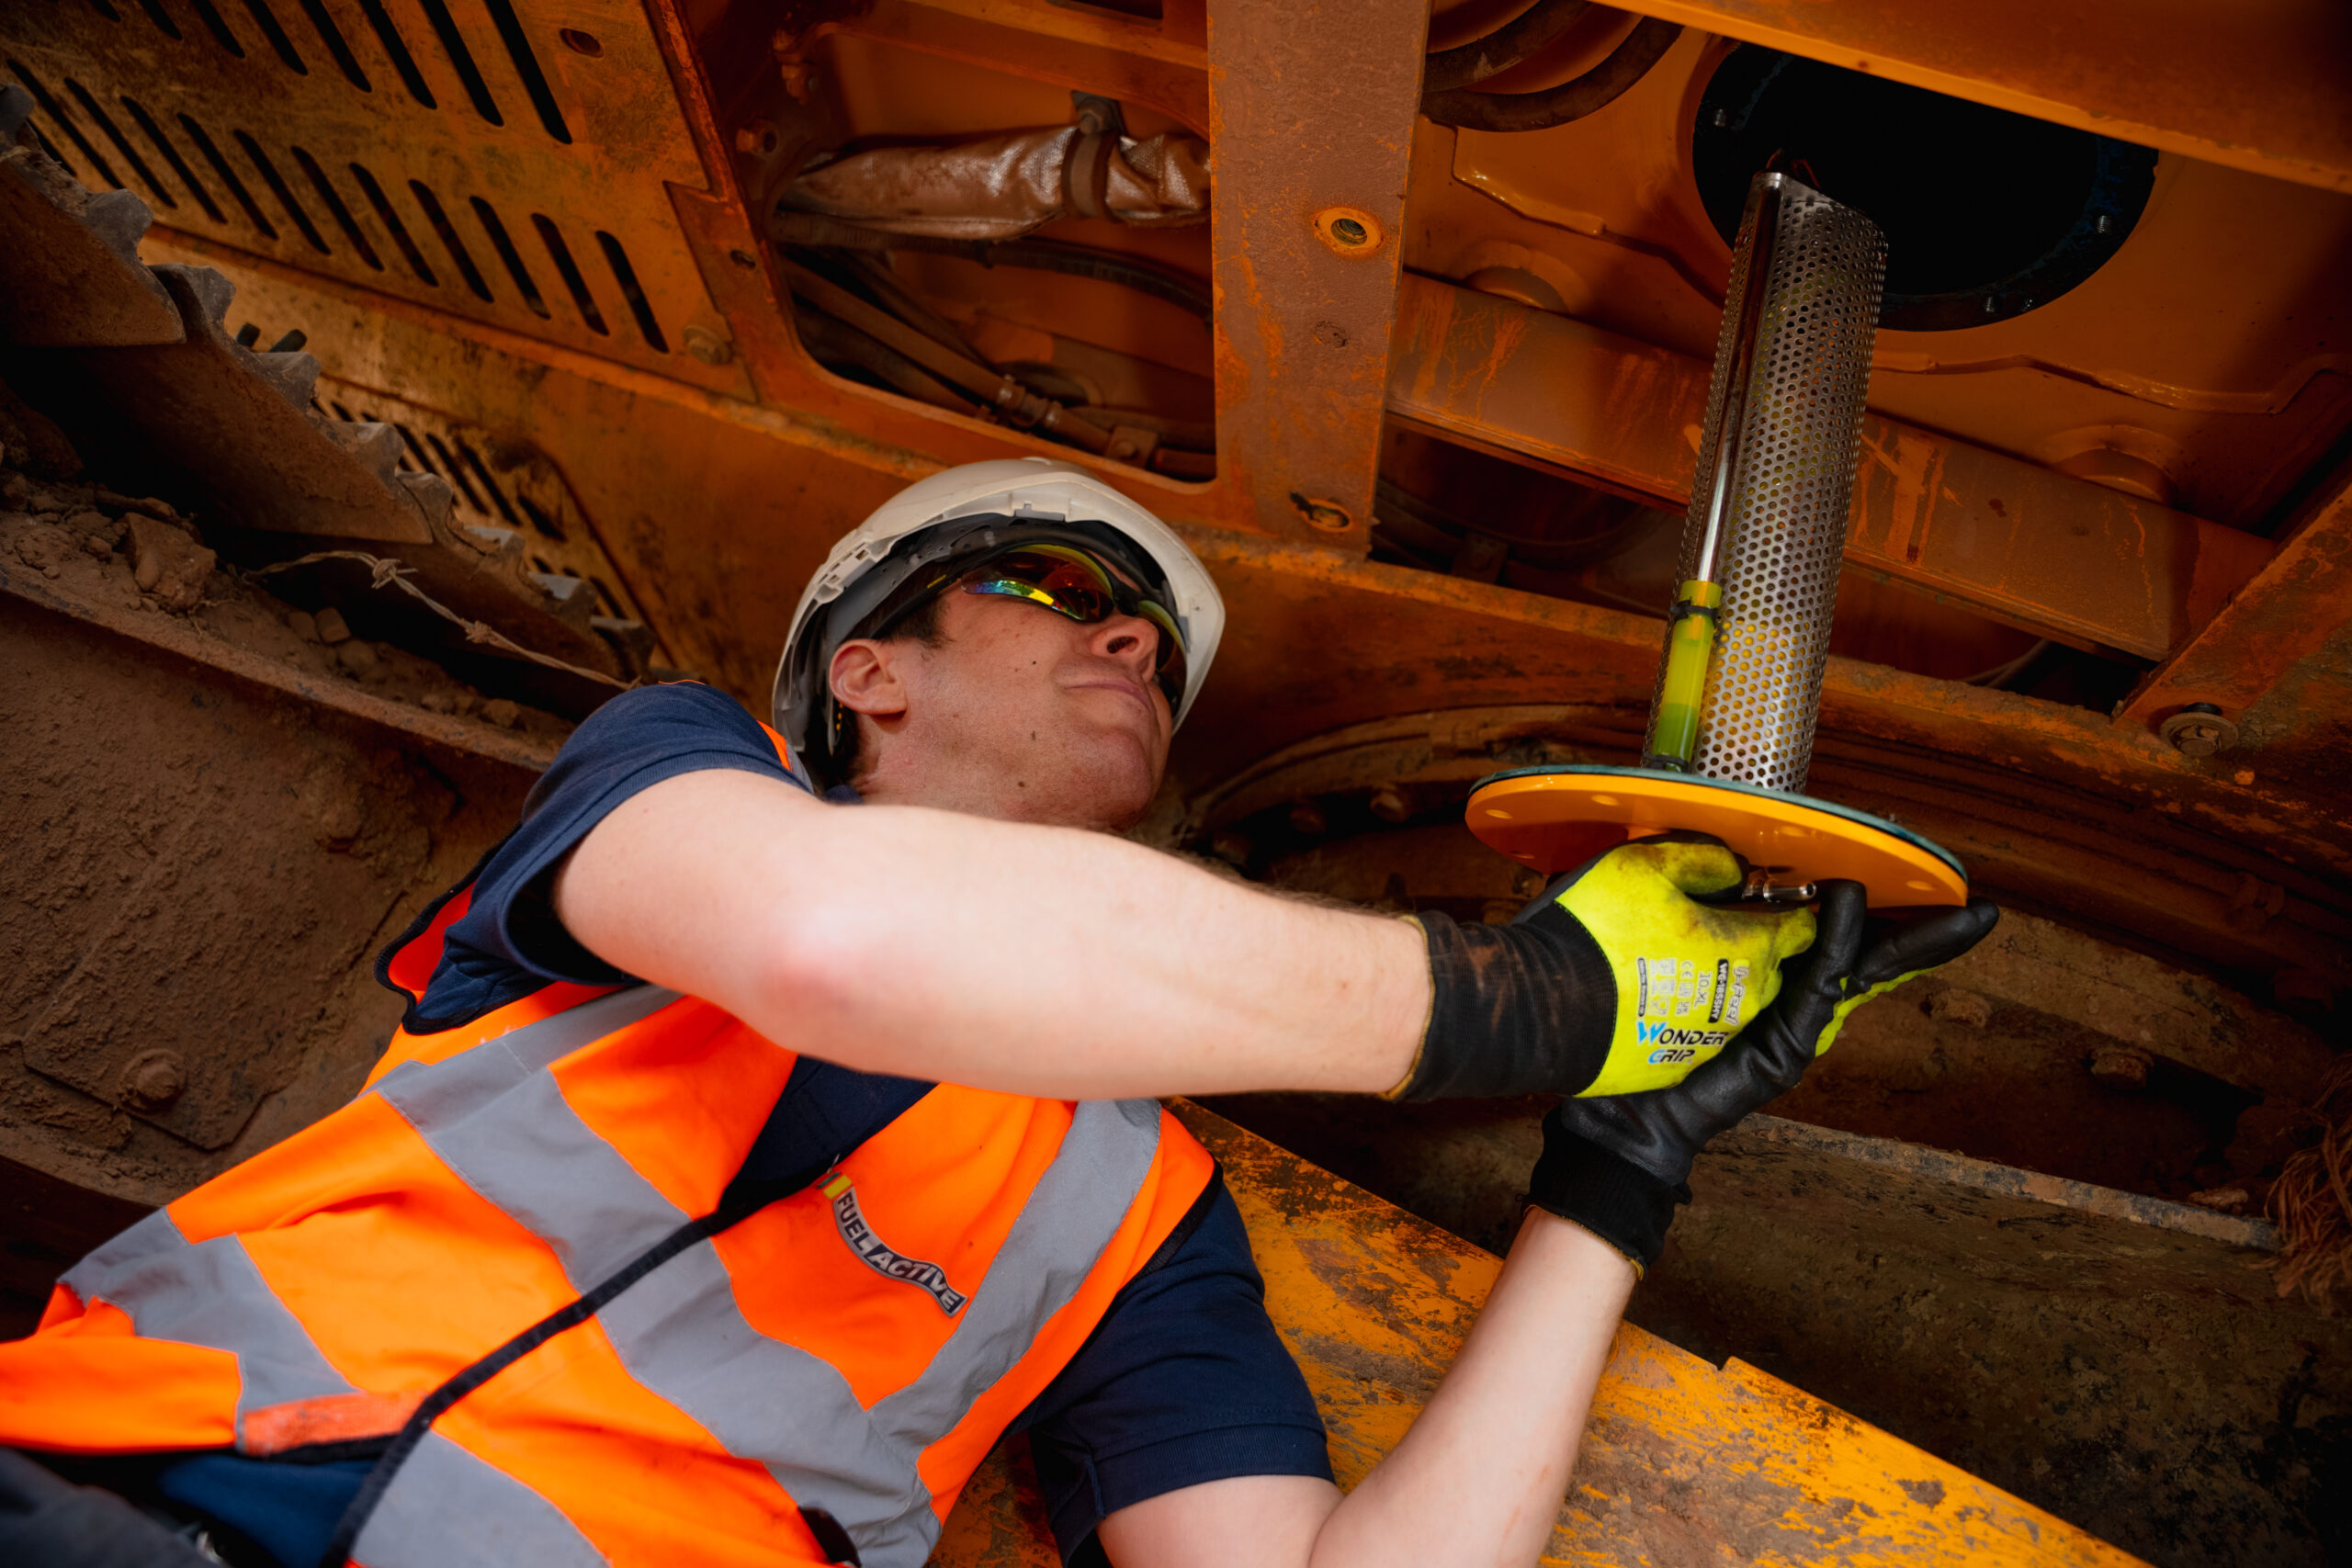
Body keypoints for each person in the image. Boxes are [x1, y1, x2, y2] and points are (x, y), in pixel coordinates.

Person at [0, 457, 1994, 1568]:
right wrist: (1529, 997)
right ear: (863, 670)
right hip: (99, 1495)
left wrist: (1612, 1175)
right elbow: (830, 942)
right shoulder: (687, 791)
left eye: (1147, 644)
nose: (1131, 635)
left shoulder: (1133, 1206)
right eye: (1063, 585)